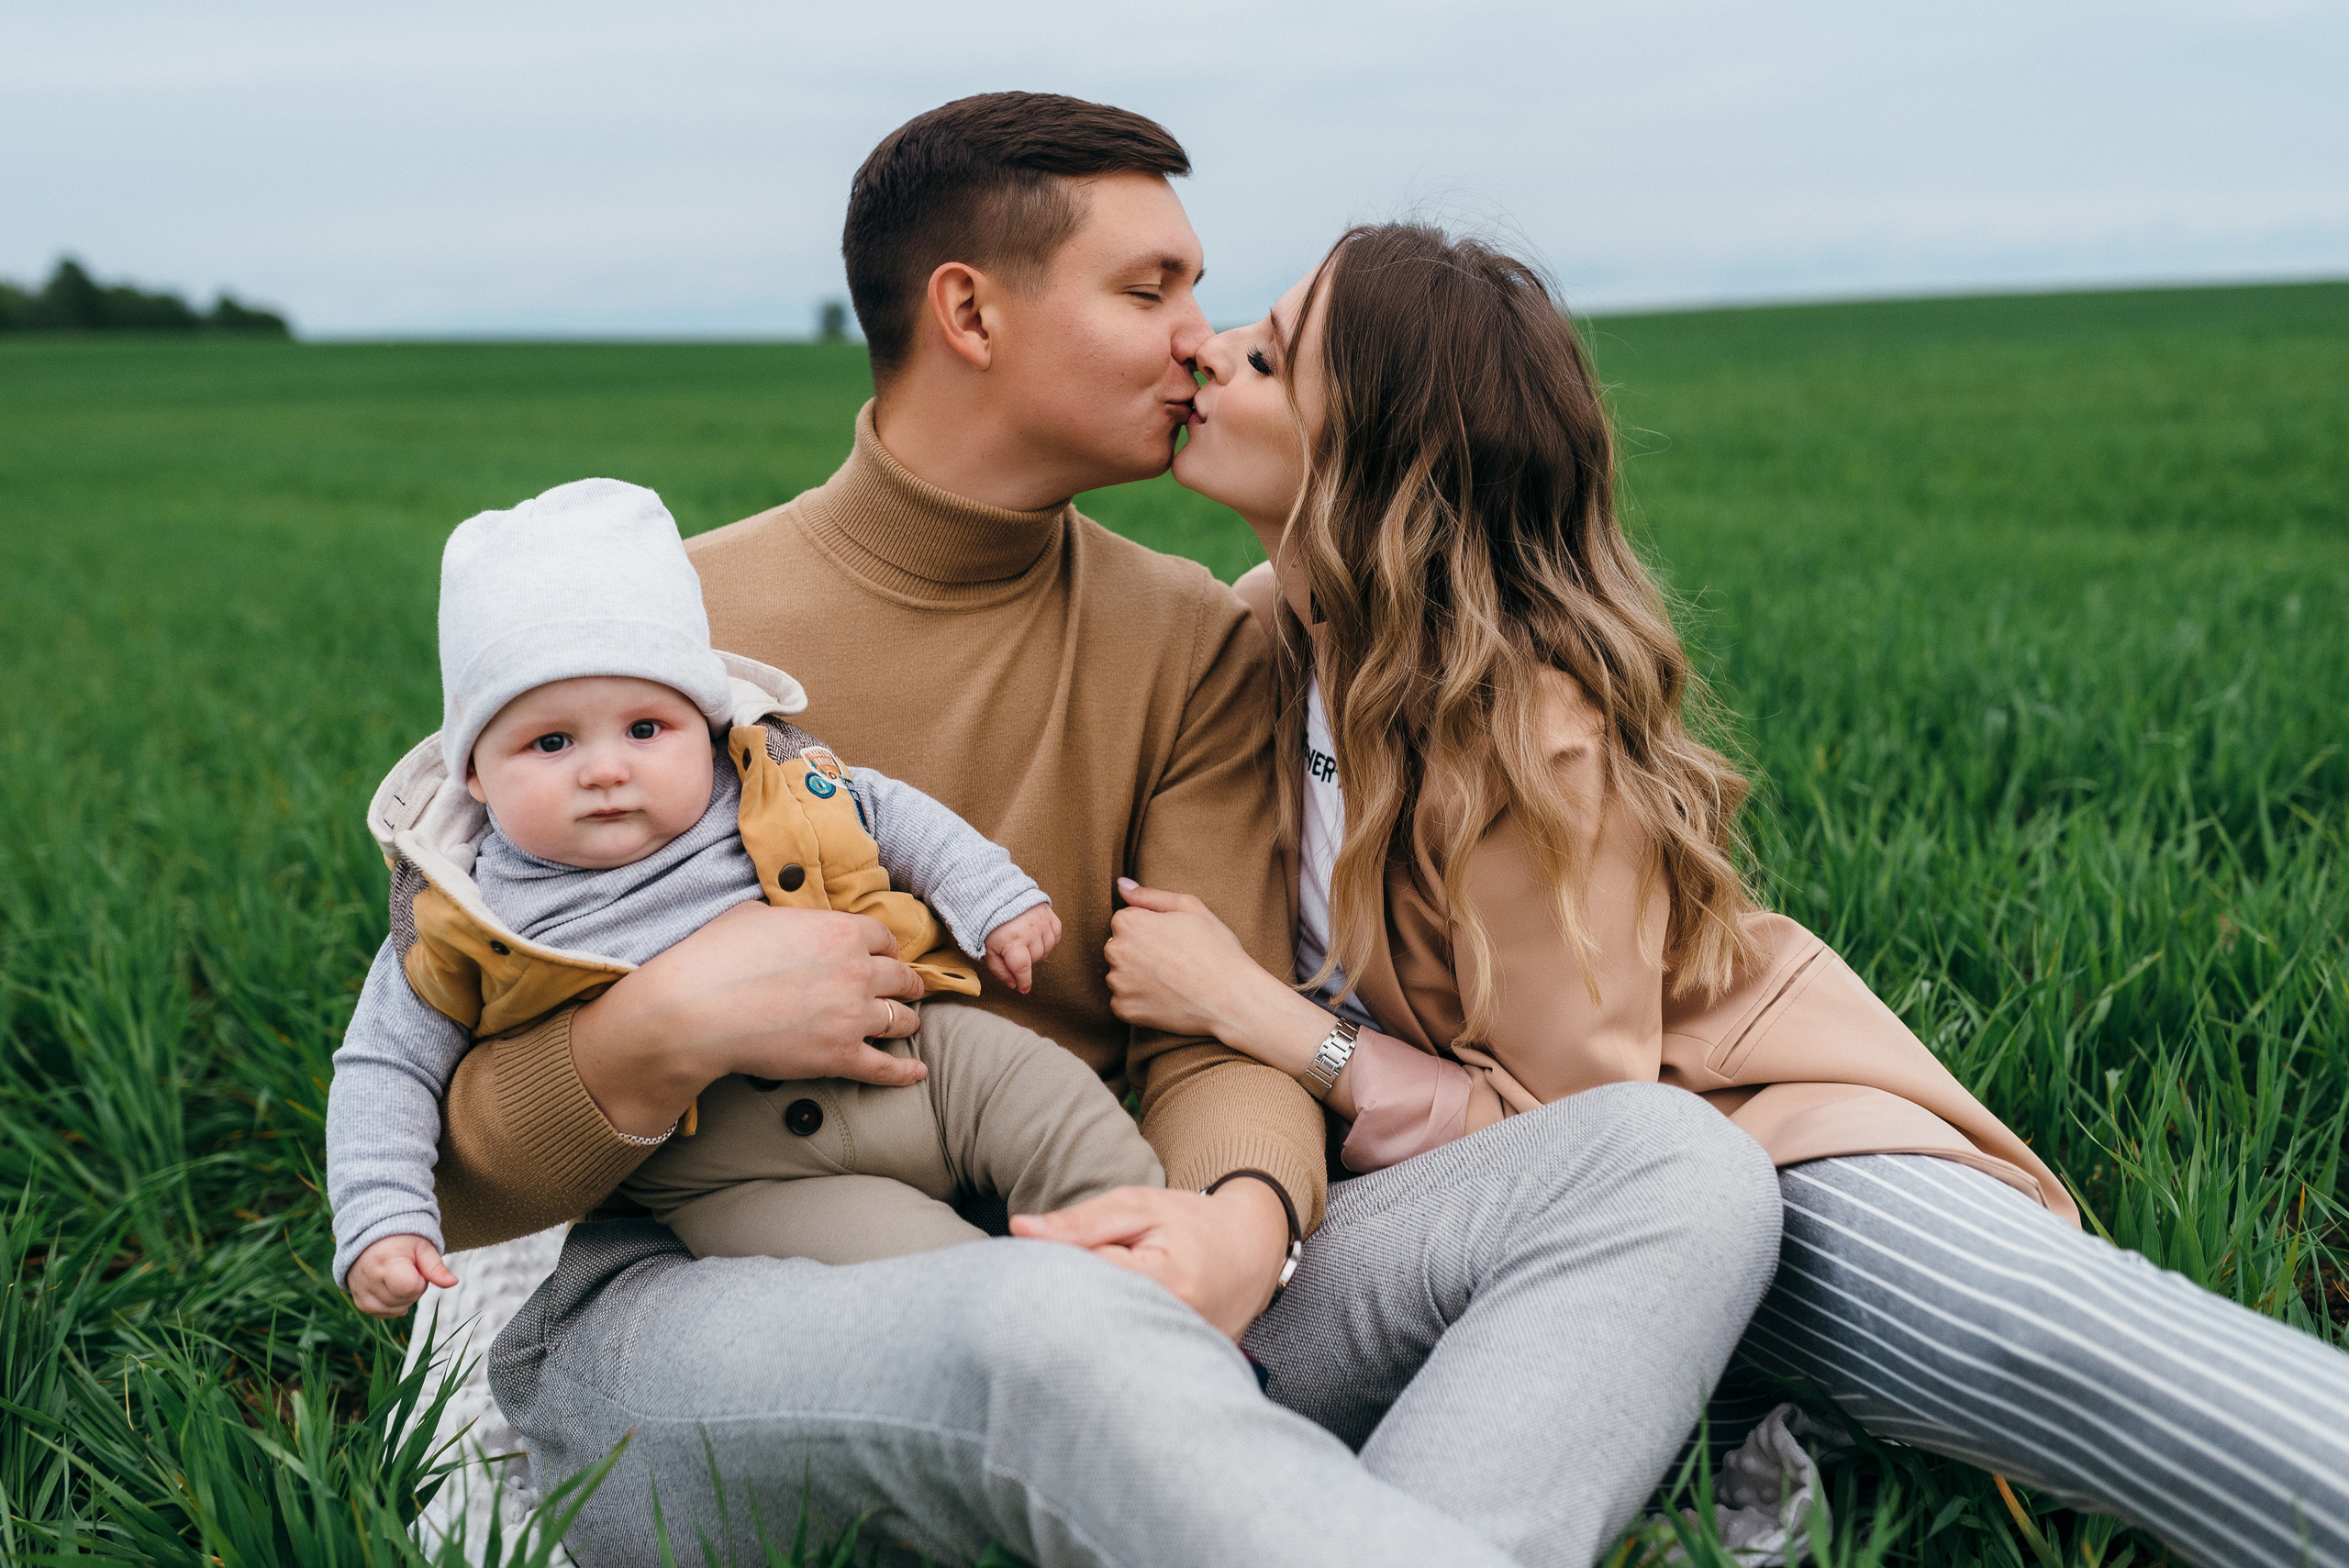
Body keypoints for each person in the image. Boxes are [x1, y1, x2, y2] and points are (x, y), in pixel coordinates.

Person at [438, 95, 1785, 1566]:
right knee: (1046, 1329)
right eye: (1151, 291)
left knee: (1672, 1163)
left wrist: (1237, 1227)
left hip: (1113, 1231)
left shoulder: (1188, 640)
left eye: (1202, 293)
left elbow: (1202, 1037)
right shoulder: (645, 649)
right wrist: (662, 1027)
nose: (1198, 339)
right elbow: (459, 1158)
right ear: (971, 311)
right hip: (711, 1316)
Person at [1102, 220, 2349, 1568]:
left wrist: (1265, 1015)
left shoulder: (1526, 729)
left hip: (1750, 1141)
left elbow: (1586, 1134)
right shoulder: (1274, 639)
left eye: (1270, 356)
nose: (1208, 351)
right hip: (1509, 1223)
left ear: (1376, 456)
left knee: (2059, 1342)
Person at [327, 475, 1155, 1319]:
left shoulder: (771, 780)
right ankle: (1061, 1333)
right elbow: (383, 1065)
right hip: (740, 1170)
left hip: (927, 1056)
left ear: (707, 721)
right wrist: (382, 1217)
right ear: (473, 769)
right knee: (927, 1282)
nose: (606, 768)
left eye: (646, 728)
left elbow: (889, 811)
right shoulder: (464, 912)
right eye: (550, 741)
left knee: (1059, 1111)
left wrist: (993, 897)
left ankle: (1159, 1275)